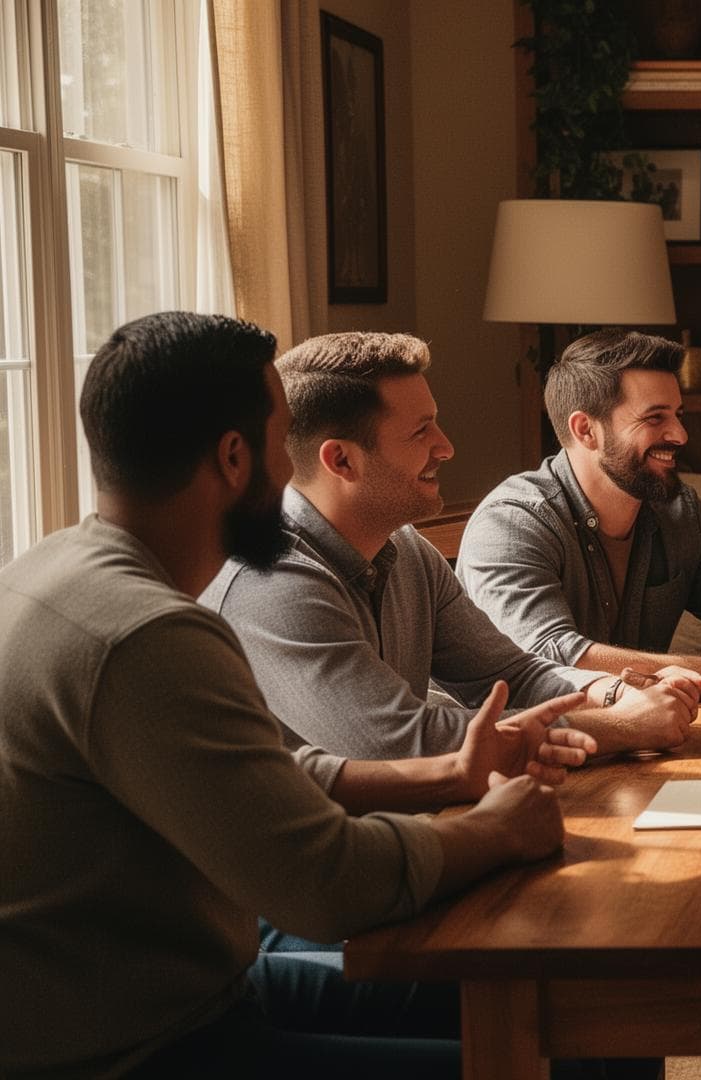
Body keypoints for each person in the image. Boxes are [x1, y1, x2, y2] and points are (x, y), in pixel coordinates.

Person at [0, 312, 587, 1077]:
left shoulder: (49, 570)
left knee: (573, 1007)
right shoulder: (147, 637)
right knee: (558, 1059)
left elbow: (267, 772)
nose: (296, 473)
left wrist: (448, 775)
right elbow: (327, 885)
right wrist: (494, 831)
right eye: (284, 445)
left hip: (209, 988)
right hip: (144, 1046)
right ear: (235, 458)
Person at [203, 332, 701, 760]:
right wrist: (619, 727)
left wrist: (610, 689)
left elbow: (509, 674)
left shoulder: (406, 549)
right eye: (421, 432)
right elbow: (397, 743)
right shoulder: (272, 579)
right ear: (341, 461)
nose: (445, 447)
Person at [458, 329, 701, 697]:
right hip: (515, 743)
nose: (679, 434)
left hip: (646, 733)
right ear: (586, 430)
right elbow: (547, 659)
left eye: (678, 415)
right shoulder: (511, 522)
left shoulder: (682, 515)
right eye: (654, 418)